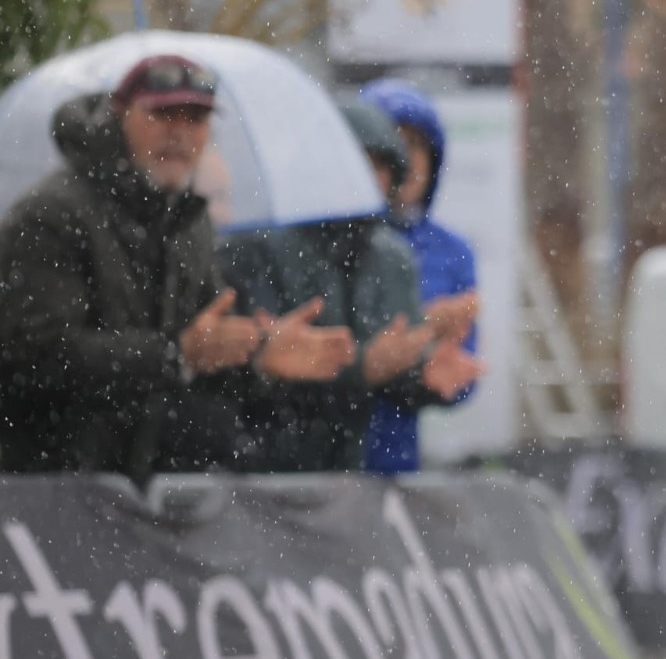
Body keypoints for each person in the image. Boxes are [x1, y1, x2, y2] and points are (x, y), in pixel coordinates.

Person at [0, 54, 355, 480]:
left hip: (130, 489)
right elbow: (35, 358)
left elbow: (202, 345)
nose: (179, 133)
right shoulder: (51, 215)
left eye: (196, 118)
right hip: (43, 489)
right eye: (162, 114)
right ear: (119, 115)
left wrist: (255, 355)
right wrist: (175, 355)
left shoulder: (187, 222)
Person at [217, 101, 480, 472]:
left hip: (359, 477)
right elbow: (252, 371)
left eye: (378, 165)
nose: (364, 177)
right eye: (351, 161)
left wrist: (423, 373)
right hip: (264, 473)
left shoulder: (393, 258)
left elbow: (390, 365)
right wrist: (361, 369)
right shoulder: (261, 248)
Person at [356, 79, 480, 473]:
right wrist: (420, 332)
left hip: (396, 460)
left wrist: (434, 375)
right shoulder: (331, 237)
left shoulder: (452, 251)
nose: (404, 160)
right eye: (389, 146)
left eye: (415, 145)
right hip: (317, 460)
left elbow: (461, 371)